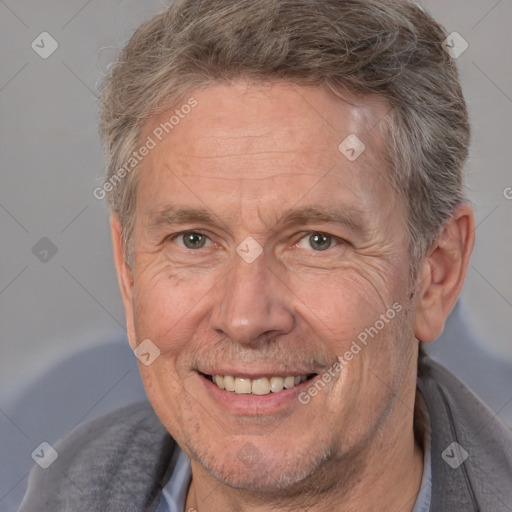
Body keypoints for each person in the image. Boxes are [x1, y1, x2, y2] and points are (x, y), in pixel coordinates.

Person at [19, 0, 512, 510]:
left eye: (318, 240)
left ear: (436, 273)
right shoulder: (67, 489)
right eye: (194, 239)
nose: (246, 317)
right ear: (129, 273)